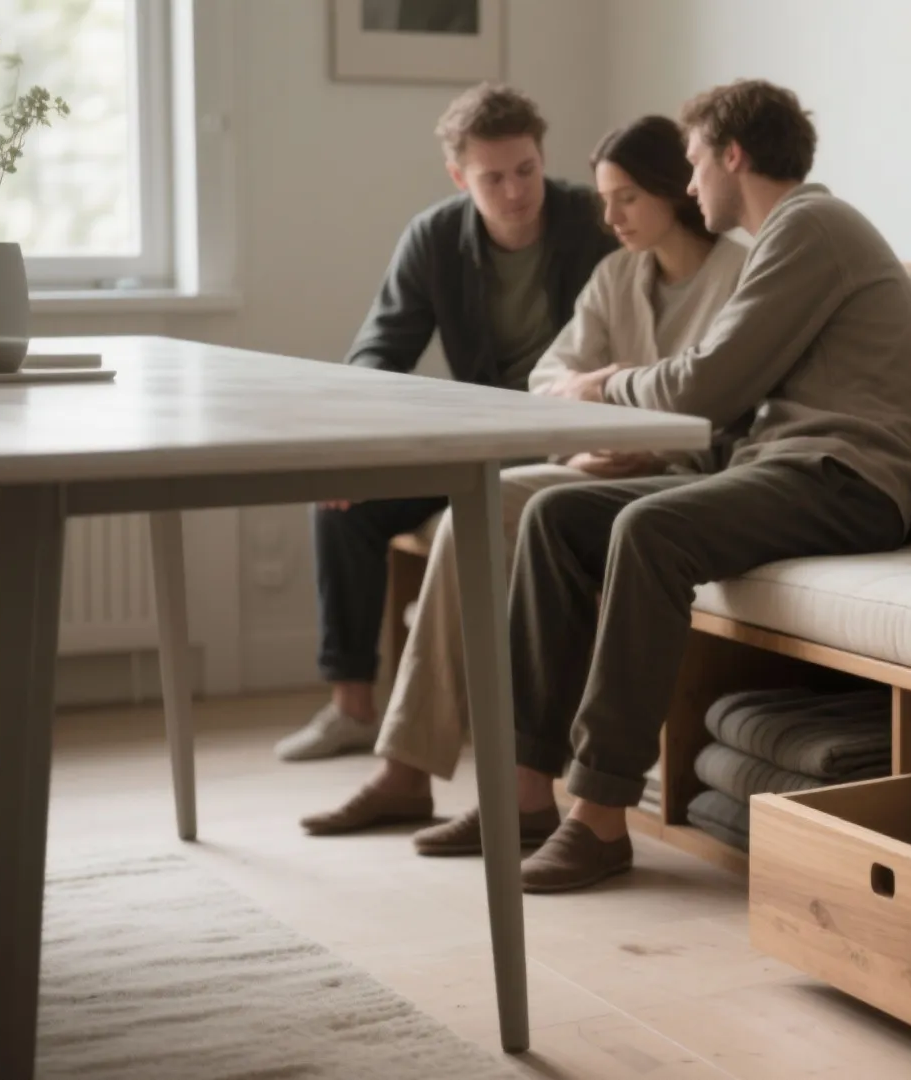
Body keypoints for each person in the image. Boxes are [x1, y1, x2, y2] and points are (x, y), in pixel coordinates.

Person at [419, 78, 911, 894]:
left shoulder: (812, 227)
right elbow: (735, 395)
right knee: (557, 515)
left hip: (845, 481)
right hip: (779, 468)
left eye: (694, 163)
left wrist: (604, 385)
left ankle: (598, 818)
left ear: (733, 155)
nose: (689, 185)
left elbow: (707, 384)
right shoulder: (787, 237)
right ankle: (522, 796)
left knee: (648, 532)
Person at [299, 115, 750, 843]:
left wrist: (611, 401)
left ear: (673, 188)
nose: (609, 218)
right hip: (584, 465)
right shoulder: (617, 273)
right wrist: (582, 450)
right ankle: (409, 771)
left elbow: (730, 401)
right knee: (465, 516)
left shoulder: (739, 273)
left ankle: (489, 789)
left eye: (626, 199)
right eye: (606, 199)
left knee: (496, 511)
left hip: (687, 476)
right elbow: (549, 377)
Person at [276, 83, 618, 763]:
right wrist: (352, 446)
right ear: (460, 177)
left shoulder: (590, 223)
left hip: (567, 443)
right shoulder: (434, 238)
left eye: (527, 170)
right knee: (342, 505)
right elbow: (379, 353)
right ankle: (352, 708)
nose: (517, 192)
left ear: (541, 156)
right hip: (477, 442)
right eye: (494, 178)